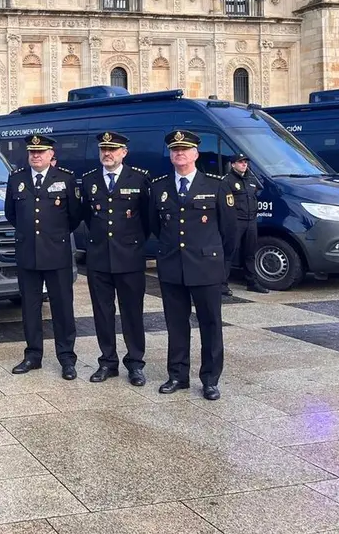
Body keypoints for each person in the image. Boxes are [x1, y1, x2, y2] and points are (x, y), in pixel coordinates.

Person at [150, 130, 237, 401]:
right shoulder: (159, 187)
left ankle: (210, 379)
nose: (180, 154)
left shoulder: (216, 185)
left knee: (210, 324)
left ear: (196, 154)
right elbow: (154, 225)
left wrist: (219, 263)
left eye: (185, 149)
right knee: (176, 324)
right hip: (172, 267)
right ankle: (177, 375)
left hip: (206, 267)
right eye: (175, 150)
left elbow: (230, 232)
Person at [5, 134, 82, 380]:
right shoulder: (16, 178)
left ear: (51, 155)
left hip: (56, 253)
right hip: (28, 253)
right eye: (32, 152)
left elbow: (74, 217)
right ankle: (33, 355)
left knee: (62, 309)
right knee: (30, 308)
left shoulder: (66, 179)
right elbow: (11, 213)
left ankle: (67, 358)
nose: (36, 156)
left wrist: (54, 236)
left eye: (41, 152)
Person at [79, 131, 150, 386]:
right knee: (102, 313)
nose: (107, 153)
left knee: (132, 313)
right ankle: (107, 362)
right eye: (103, 149)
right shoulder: (89, 180)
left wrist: (134, 244)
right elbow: (87, 216)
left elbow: (148, 219)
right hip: (99, 258)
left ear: (124, 153)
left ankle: (135, 363)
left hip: (129, 258)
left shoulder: (140, 179)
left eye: (113, 149)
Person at [222, 153, 267, 294]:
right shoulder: (227, 181)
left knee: (250, 253)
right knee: (229, 252)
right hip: (236, 222)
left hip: (250, 221)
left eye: (245, 162)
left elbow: (256, 195)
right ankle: (222, 284)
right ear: (233, 164)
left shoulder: (251, 180)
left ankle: (252, 282)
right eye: (240, 162)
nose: (244, 164)